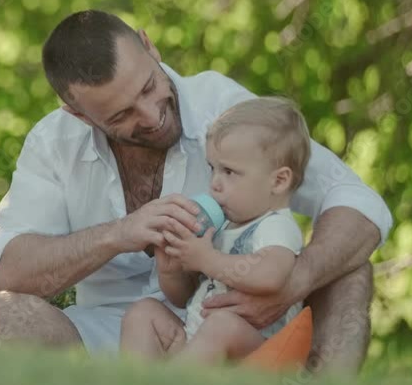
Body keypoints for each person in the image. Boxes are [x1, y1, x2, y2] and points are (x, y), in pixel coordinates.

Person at [0, 10, 392, 373]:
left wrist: (294, 280)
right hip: (112, 339)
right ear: (79, 115)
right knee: (4, 313)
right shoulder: (53, 143)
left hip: (244, 329)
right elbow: (8, 272)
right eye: (121, 115)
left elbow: (358, 203)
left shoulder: (223, 109)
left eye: (150, 86)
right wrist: (121, 233)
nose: (151, 115)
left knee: (347, 268)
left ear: (149, 47)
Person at [120, 97, 309, 362]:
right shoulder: (223, 226)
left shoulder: (275, 224)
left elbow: (271, 275)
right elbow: (184, 298)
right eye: (213, 168)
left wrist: (206, 259)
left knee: (222, 325)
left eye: (230, 172)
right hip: (202, 345)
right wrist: (171, 270)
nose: (215, 184)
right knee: (144, 312)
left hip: (257, 354)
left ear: (278, 181)